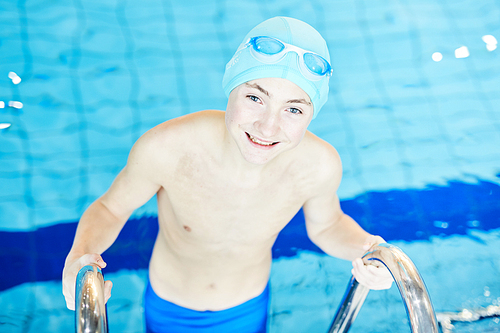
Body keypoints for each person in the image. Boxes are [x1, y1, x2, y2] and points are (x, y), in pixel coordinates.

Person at [62, 16, 393, 332]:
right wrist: (80, 255)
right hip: (170, 304)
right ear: (230, 90)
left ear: (311, 114)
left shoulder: (318, 165)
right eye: (254, 97)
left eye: (293, 109)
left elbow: (328, 225)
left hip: (247, 306)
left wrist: (369, 249)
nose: (268, 126)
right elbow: (111, 208)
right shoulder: (169, 147)